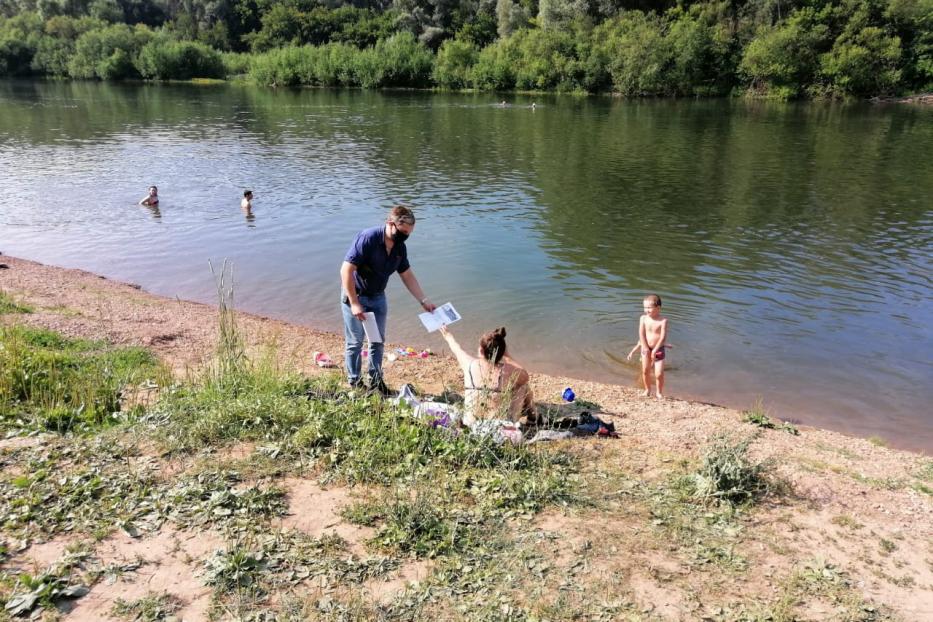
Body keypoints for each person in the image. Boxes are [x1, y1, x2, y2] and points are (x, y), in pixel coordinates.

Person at [340, 205, 435, 394]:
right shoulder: (368, 238)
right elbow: (346, 270)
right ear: (391, 224)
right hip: (356, 294)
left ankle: (375, 381)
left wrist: (423, 300)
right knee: (355, 342)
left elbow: (406, 275)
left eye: (409, 233)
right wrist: (355, 303)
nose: (406, 236)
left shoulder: (400, 247)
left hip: (377, 297)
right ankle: (355, 383)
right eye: (403, 232)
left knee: (377, 341)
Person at [438, 325, 537, 426]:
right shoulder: (508, 370)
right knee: (522, 386)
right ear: (502, 353)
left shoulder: (469, 364)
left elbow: (456, 348)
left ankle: (534, 417)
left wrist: (448, 335)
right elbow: (525, 376)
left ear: (481, 350)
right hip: (501, 425)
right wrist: (506, 355)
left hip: (470, 424)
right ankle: (534, 417)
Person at [627, 294, 668, 399]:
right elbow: (641, 333)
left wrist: (655, 350)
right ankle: (647, 390)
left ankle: (659, 392)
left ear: (658, 308)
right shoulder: (643, 318)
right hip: (646, 348)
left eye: (649, 307)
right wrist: (645, 347)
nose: (646, 310)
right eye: (645, 307)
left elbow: (663, 337)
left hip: (658, 349)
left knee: (658, 373)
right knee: (645, 371)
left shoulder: (663, 321)